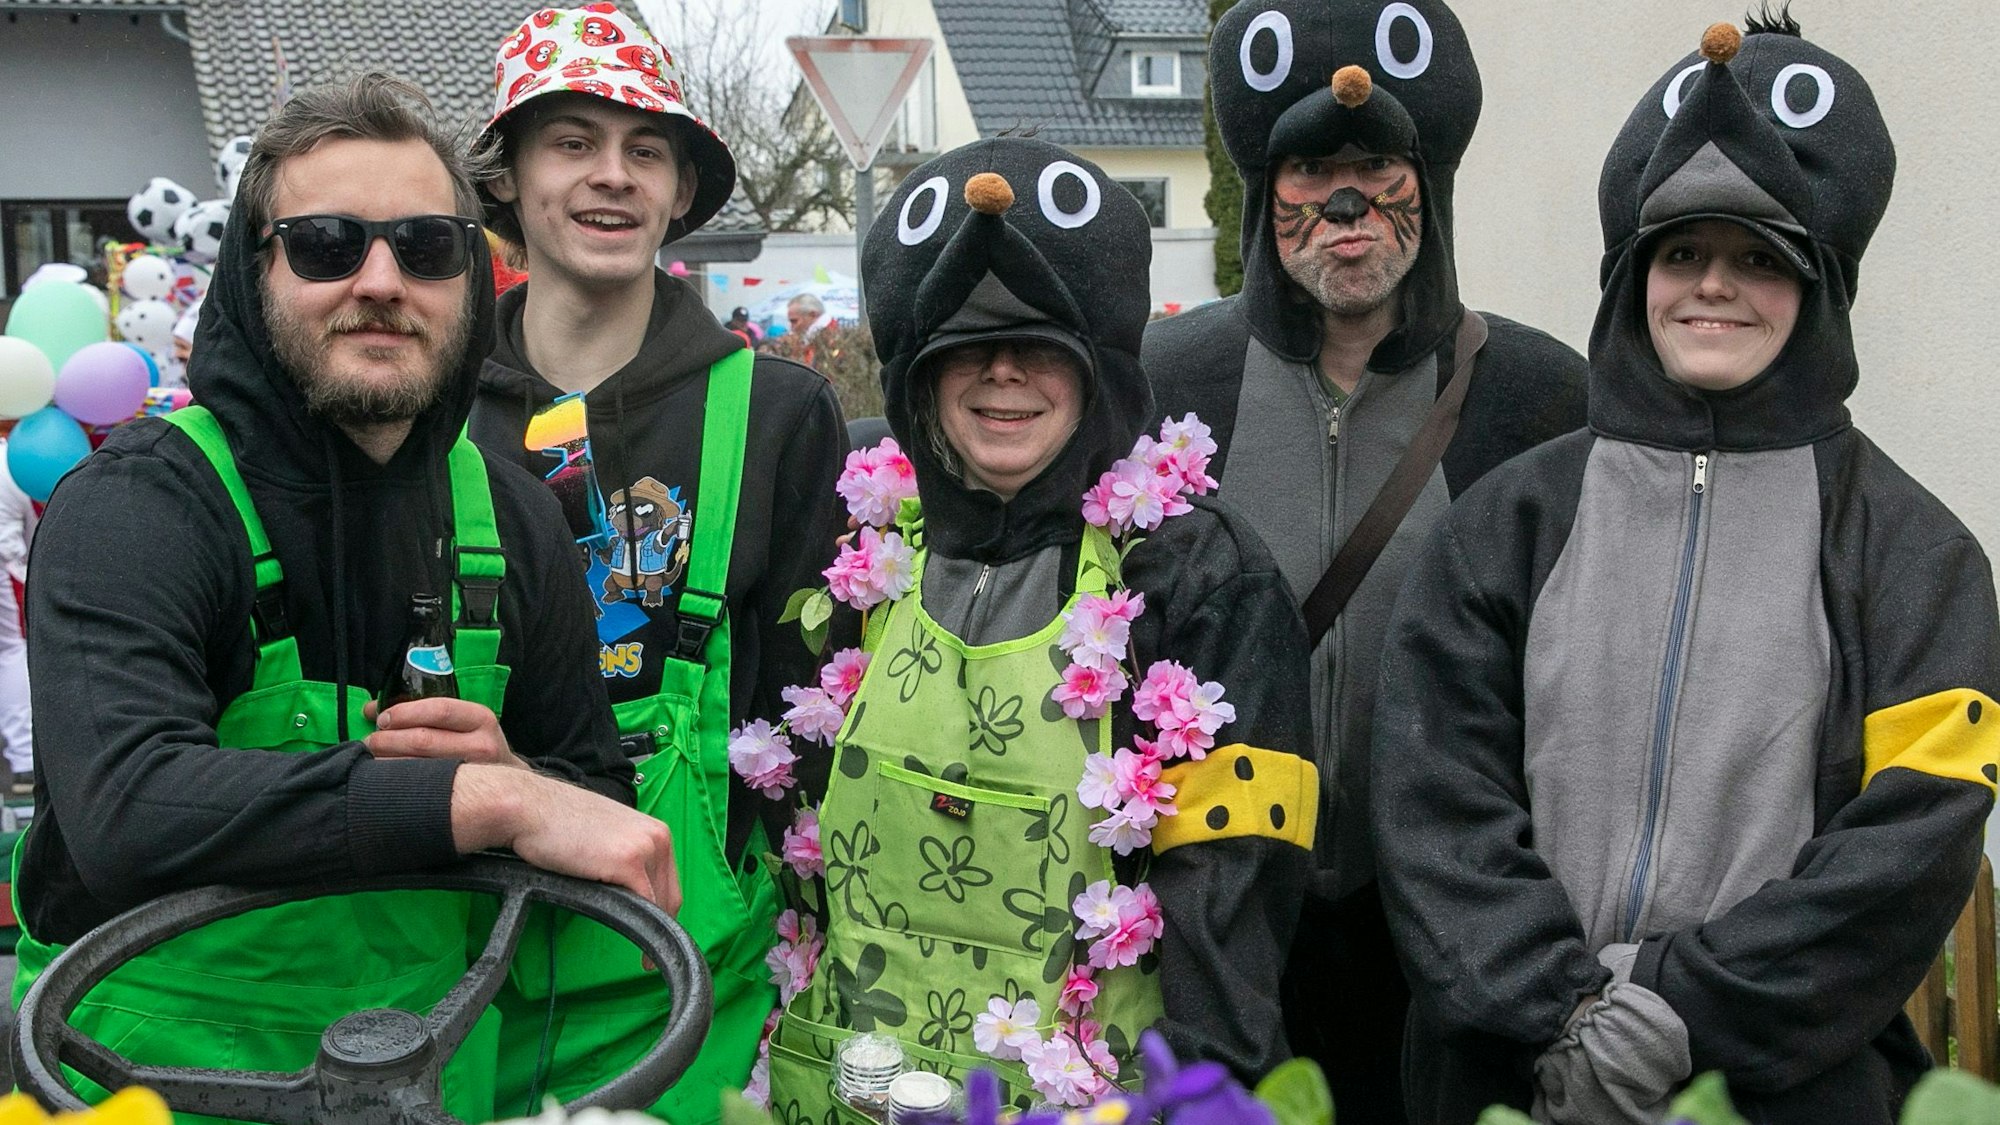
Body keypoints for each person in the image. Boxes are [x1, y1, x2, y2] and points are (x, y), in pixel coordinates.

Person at [9, 73, 678, 1124]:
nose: (380, 280)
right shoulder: (140, 505)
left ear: (470, 277)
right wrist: (483, 801)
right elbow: (125, 808)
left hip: (428, 1083)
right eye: (325, 244)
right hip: (143, 1087)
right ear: (252, 269)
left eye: (425, 248)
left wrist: (521, 773)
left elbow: (590, 793)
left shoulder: (508, 515)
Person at [1372, 16, 2000, 1124]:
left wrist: (1662, 1021)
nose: (1714, 287)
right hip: (1505, 1087)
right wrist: (1559, 1019)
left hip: (1772, 1095)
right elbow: (1435, 804)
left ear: (1819, 288)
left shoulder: (1919, 557)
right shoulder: (1506, 520)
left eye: (1760, 259)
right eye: (1682, 253)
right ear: (1632, 276)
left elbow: (1904, 852)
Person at [764, 137, 1317, 1114]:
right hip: (846, 1089)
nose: (1003, 374)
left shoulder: (1201, 576)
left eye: (1041, 345)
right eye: (965, 347)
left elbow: (1234, 908)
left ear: (1095, 366)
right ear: (917, 374)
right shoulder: (854, 550)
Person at [1140, 2, 1590, 1114]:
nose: (1344, 203)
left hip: (1442, 926)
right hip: (1215, 920)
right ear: (1262, 184)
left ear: (1425, 181)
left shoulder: (1539, 399)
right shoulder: (1161, 379)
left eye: (1376, 162)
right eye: (1307, 167)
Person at [467, 7, 846, 1120]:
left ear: (682, 191)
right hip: (450, 948)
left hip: (686, 968)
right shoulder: (427, 408)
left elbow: (807, 707)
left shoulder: (775, 413)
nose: (612, 177)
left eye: (646, 151)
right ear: (510, 179)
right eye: (572, 142)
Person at [0, 439, 33, 794]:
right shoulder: (12, 457)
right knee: (12, 649)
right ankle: (25, 759)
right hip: (5, 559)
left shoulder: (15, 453)